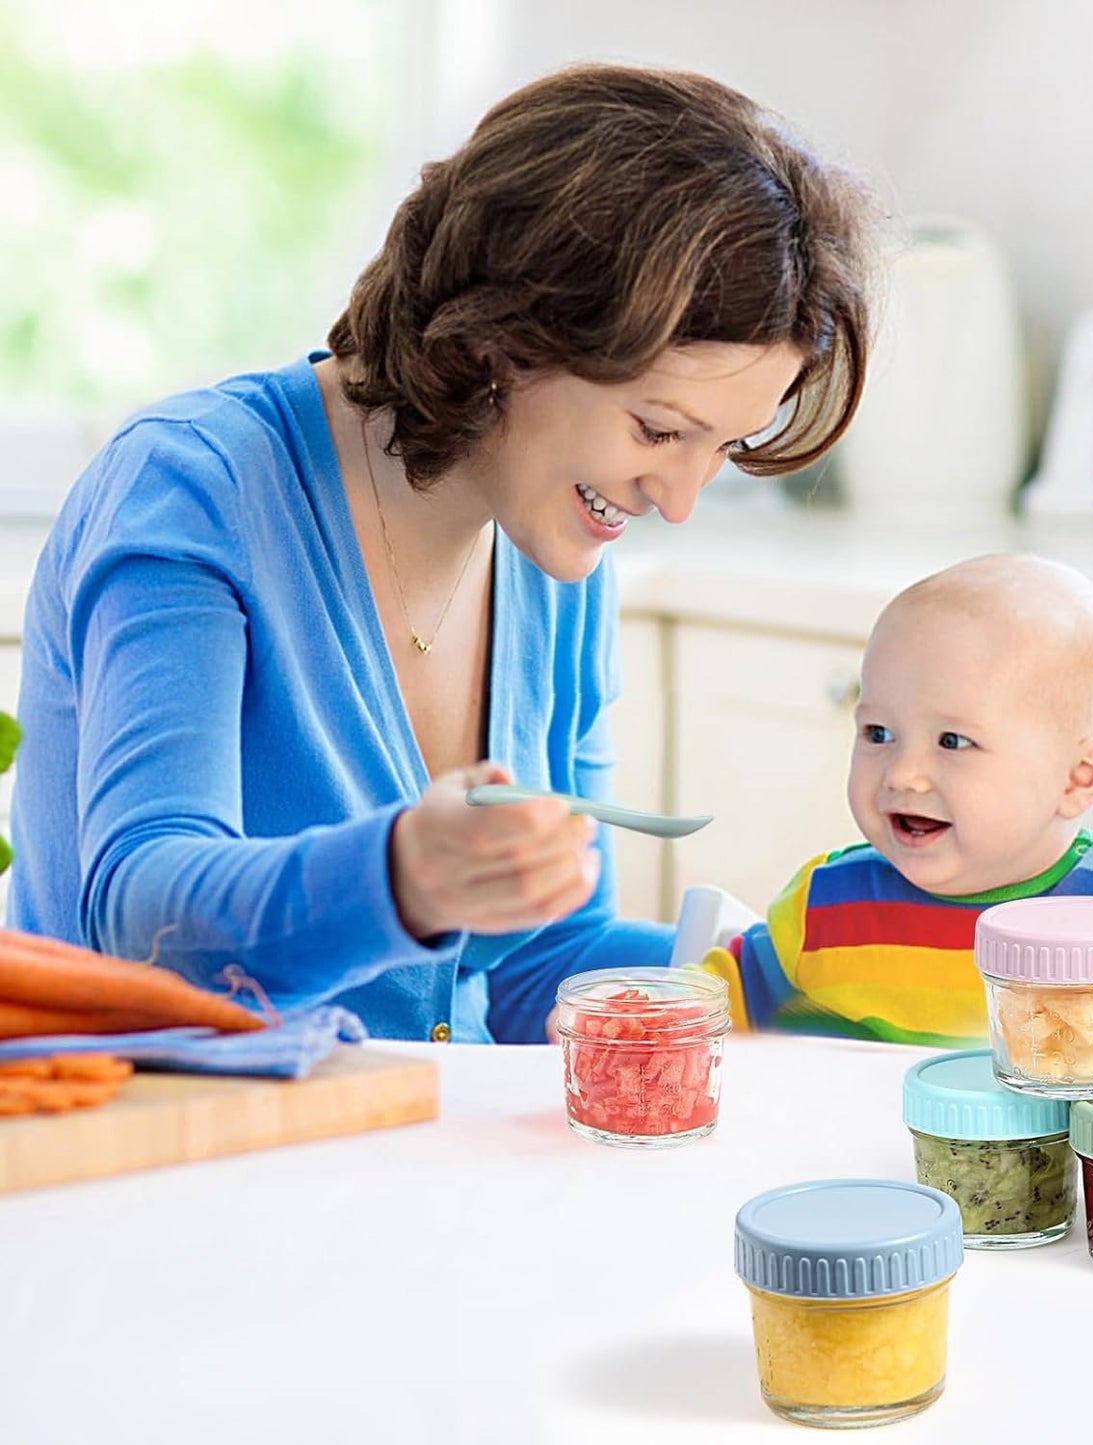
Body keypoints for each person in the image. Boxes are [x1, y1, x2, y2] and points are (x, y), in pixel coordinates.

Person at [5, 64, 878, 1042]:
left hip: (394, 1156)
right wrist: (404, 875)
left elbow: (530, 968)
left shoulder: (558, 555)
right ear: (509, 339)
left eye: (724, 447)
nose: (677, 500)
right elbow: (137, 922)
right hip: (148, 1152)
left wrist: (774, 974)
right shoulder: (193, 492)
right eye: (657, 429)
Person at [695, 554, 1093, 1078]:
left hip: (1070, 1208)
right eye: (878, 732)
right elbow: (707, 1011)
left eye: (953, 742)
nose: (902, 773)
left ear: (1078, 778)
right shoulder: (825, 909)